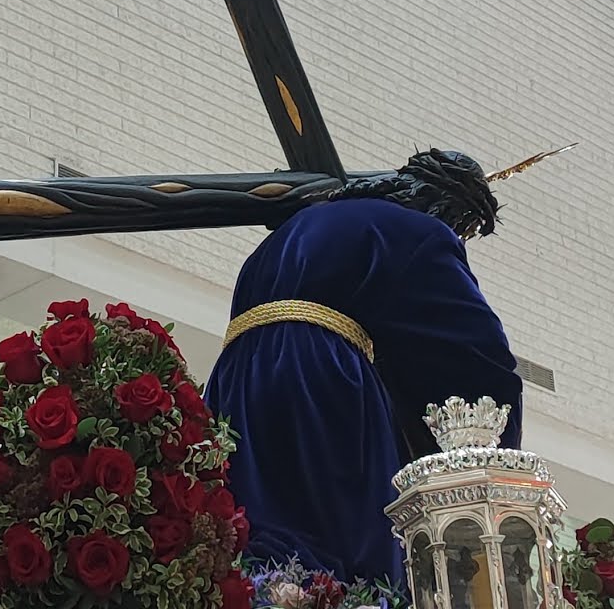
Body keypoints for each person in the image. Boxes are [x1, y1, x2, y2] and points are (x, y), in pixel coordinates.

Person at [205, 149, 523, 586]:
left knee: (258, 521)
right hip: (320, 376)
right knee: (340, 544)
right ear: (448, 210)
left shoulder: (296, 227)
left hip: (237, 381)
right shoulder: (422, 232)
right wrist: (498, 453)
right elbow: (478, 356)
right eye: (464, 230)